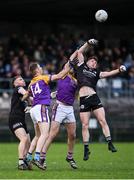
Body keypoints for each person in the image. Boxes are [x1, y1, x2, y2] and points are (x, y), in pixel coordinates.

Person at [23, 55, 78, 170]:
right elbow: (59, 75)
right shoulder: (43, 77)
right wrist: (70, 66)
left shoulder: (31, 83)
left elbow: (26, 96)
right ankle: (37, 158)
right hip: (41, 108)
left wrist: (27, 101)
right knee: (45, 134)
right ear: (37, 70)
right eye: (40, 67)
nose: (41, 68)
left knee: (37, 136)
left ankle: (27, 158)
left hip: (33, 110)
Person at [75, 39, 126, 160]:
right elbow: (79, 52)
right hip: (83, 99)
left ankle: (109, 143)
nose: (94, 63)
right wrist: (88, 43)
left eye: (95, 62)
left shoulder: (97, 72)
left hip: (94, 97)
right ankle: (86, 149)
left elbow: (108, 74)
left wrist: (119, 70)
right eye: (92, 61)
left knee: (102, 120)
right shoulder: (81, 66)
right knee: (85, 125)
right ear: (87, 62)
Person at [40, 67, 78, 169]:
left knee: (73, 135)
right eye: (69, 66)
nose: (71, 68)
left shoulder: (75, 81)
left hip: (69, 108)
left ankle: (70, 157)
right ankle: (42, 158)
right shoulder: (62, 75)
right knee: (53, 133)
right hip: (60, 107)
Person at [8, 76, 31, 170]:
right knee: (24, 138)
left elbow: (35, 100)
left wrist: (49, 96)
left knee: (28, 142)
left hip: (21, 120)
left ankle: (25, 161)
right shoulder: (18, 88)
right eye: (20, 79)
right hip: (15, 119)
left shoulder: (22, 95)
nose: (22, 80)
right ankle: (21, 162)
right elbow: (25, 93)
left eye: (22, 78)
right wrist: (29, 93)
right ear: (15, 83)